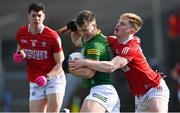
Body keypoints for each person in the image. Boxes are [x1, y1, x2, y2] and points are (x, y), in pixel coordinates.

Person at [69, 13, 170, 113]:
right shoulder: (114, 41)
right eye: (118, 22)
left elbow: (111, 67)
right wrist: (75, 26)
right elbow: (89, 39)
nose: (118, 25)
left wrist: (84, 62)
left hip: (154, 88)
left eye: (123, 24)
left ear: (132, 31)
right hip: (139, 96)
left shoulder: (130, 48)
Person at [58, 10, 120, 113]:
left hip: (102, 91)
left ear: (94, 25)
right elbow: (77, 41)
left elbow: (89, 73)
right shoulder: (89, 37)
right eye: (80, 30)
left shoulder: (94, 45)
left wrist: (68, 69)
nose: (82, 34)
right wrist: (74, 29)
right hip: (101, 90)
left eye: (85, 30)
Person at [13, 2, 66, 113]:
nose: (36, 18)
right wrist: (20, 54)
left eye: (39, 16)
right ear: (28, 16)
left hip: (54, 78)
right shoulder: (21, 33)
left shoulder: (52, 36)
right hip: (35, 80)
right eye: (34, 15)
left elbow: (61, 63)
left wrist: (47, 77)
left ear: (43, 17)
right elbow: (21, 49)